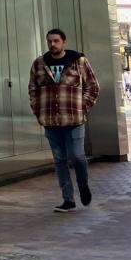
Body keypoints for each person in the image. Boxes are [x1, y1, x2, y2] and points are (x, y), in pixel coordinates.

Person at [28, 28, 100, 213]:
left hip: (74, 119)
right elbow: (33, 89)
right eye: (49, 41)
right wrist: (38, 111)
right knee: (60, 160)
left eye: (56, 41)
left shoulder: (78, 61)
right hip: (51, 122)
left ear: (64, 42)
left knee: (77, 156)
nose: (52, 44)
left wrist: (82, 106)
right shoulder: (39, 64)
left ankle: (83, 185)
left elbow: (92, 87)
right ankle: (68, 200)